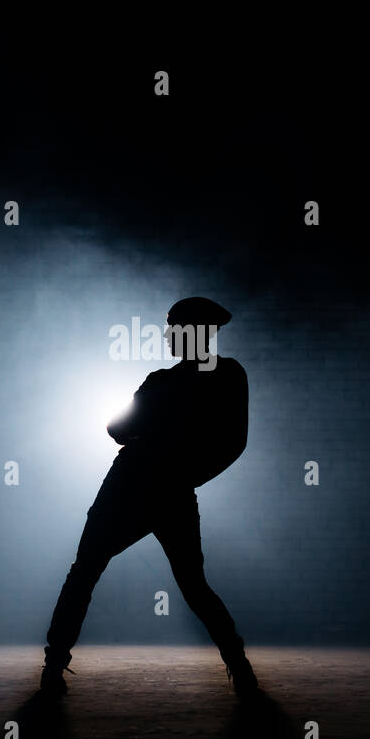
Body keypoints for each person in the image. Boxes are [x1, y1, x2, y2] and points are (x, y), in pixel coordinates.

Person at [40, 296, 259, 699]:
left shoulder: (163, 381)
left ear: (196, 331)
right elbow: (231, 443)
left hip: (132, 484)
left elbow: (118, 428)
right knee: (191, 584)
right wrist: (186, 470)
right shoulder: (221, 375)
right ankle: (239, 667)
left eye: (174, 326)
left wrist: (158, 447)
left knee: (86, 571)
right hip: (166, 489)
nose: (168, 334)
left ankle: (53, 666)